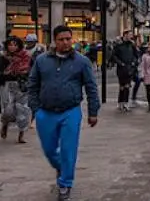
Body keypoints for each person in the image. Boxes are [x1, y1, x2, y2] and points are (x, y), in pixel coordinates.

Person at [28, 25, 100, 201]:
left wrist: (93, 111)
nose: (66, 42)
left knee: (69, 149)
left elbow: (91, 87)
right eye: (61, 39)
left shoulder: (82, 61)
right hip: (45, 112)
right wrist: (35, 109)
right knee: (49, 150)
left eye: (68, 39)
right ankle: (61, 167)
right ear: (54, 41)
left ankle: (65, 183)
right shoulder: (42, 61)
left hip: (71, 111)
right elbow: (33, 85)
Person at [0, 36, 32, 143]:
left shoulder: (26, 56)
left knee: (22, 110)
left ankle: (21, 133)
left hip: (22, 85)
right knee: (8, 109)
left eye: (15, 45)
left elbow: (31, 70)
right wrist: (6, 74)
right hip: (7, 85)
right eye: (10, 45)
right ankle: (5, 124)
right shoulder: (3, 58)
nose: (12, 47)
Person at [113, 31, 137, 112]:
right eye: (129, 35)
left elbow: (136, 55)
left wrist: (134, 62)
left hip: (129, 68)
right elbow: (114, 56)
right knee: (122, 87)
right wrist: (120, 63)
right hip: (121, 69)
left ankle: (126, 103)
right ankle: (120, 102)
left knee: (127, 86)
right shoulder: (119, 45)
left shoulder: (132, 45)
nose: (130, 36)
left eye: (131, 35)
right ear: (125, 35)